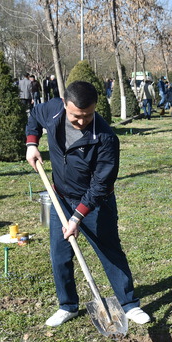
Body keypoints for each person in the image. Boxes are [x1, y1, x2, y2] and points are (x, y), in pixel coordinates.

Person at [25, 81, 151, 327]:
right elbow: (33, 117)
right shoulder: (51, 110)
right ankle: (67, 305)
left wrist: (76, 218)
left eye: (88, 115)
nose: (82, 121)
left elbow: (100, 185)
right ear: (64, 104)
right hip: (61, 196)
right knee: (59, 253)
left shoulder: (105, 138)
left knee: (109, 251)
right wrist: (32, 144)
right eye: (76, 116)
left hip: (95, 203)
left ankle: (129, 305)